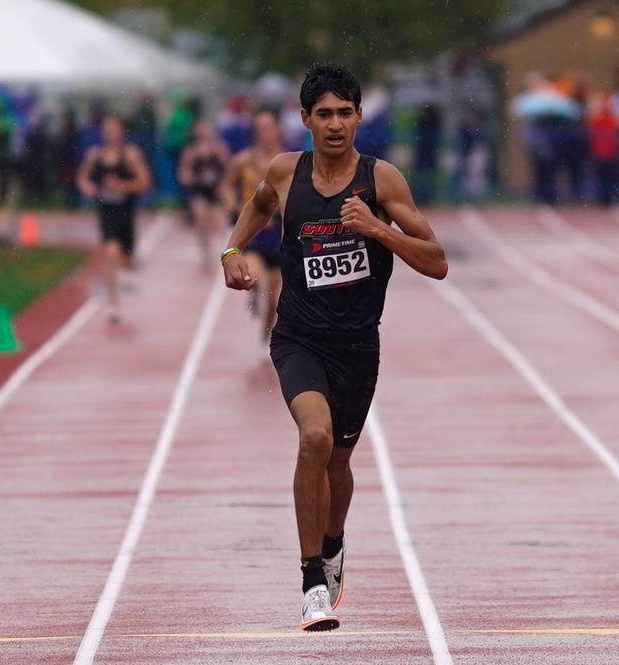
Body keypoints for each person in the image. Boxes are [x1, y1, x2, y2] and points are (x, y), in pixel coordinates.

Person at [221, 63, 448, 632]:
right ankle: (310, 584)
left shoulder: (382, 181)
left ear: (358, 117)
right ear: (304, 120)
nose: (335, 124)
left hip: (357, 347)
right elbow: (256, 205)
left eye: (345, 112)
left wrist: (378, 230)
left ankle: (332, 541)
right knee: (314, 438)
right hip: (298, 337)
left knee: (339, 465)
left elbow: (437, 262)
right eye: (324, 114)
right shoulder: (283, 171)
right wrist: (232, 251)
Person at [76, 113, 151, 322]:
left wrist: (122, 186)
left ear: (121, 130)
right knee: (110, 252)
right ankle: (113, 305)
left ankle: (126, 265)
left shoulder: (131, 155)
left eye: (114, 128)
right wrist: (87, 187)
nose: (110, 133)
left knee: (125, 261)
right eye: (106, 129)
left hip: (126, 213)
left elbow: (145, 182)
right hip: (106, 212)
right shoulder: (95, 155)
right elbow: (82, 177)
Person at [223, 109, 284, 352]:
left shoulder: (286, 160)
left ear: (277, 129)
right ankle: (253, 292)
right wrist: (233, 205)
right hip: (254, 232)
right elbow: (227, 186)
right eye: (260, 128)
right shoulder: (242, 160)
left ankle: (266, 335)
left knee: (274, 297)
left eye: (269, 127)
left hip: (278, 232)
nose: (265, 133)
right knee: (254, 276)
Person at [178, 118, 230, 273]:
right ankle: (205, 253)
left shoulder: (219, 149)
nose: (204, 132)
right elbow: (183, 171)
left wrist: (224, 186)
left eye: (206, 128)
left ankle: (226, 253)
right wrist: (187, 177)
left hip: (215, 191)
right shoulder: (191, 151)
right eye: (201, 129)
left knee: (222, 224)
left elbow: (228, 169)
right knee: (201, 219)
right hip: (199, 190)